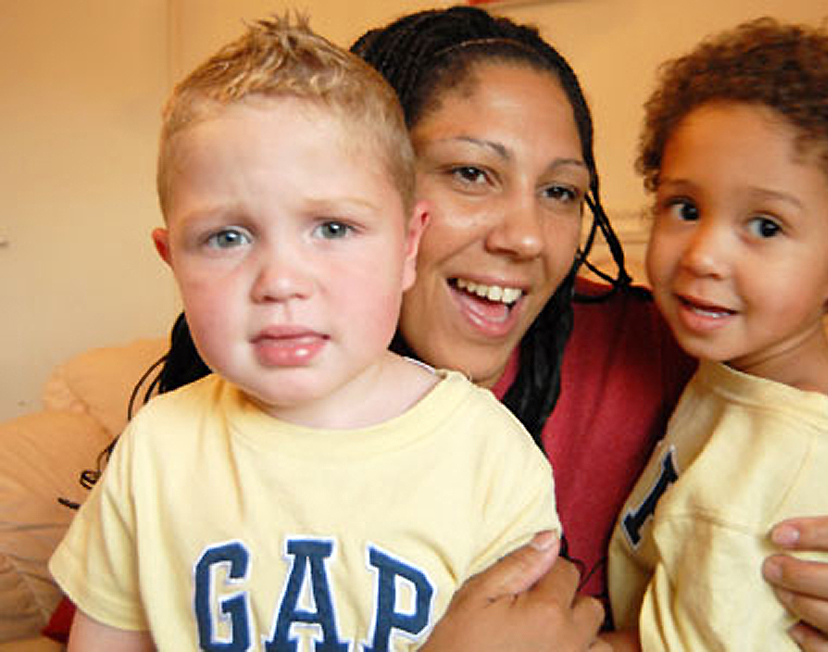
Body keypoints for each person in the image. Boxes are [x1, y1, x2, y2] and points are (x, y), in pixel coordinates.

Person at [57, 6, 828, 651]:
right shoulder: (226, 396)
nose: (526, 236)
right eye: (473, 173)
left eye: (560, 191)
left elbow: (818, 461)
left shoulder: (666, 347)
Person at [48, 15, 560, 650]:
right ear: (172, 260)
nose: (280, 281)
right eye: (226, 237)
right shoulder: (155, 450)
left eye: (333, 229)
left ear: (408, 245)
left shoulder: (489, 457)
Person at [605, 17, 828, 651]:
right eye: (686, 208)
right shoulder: (764, 367)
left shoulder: (775, 486)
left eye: (766, 226)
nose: (703, 255)